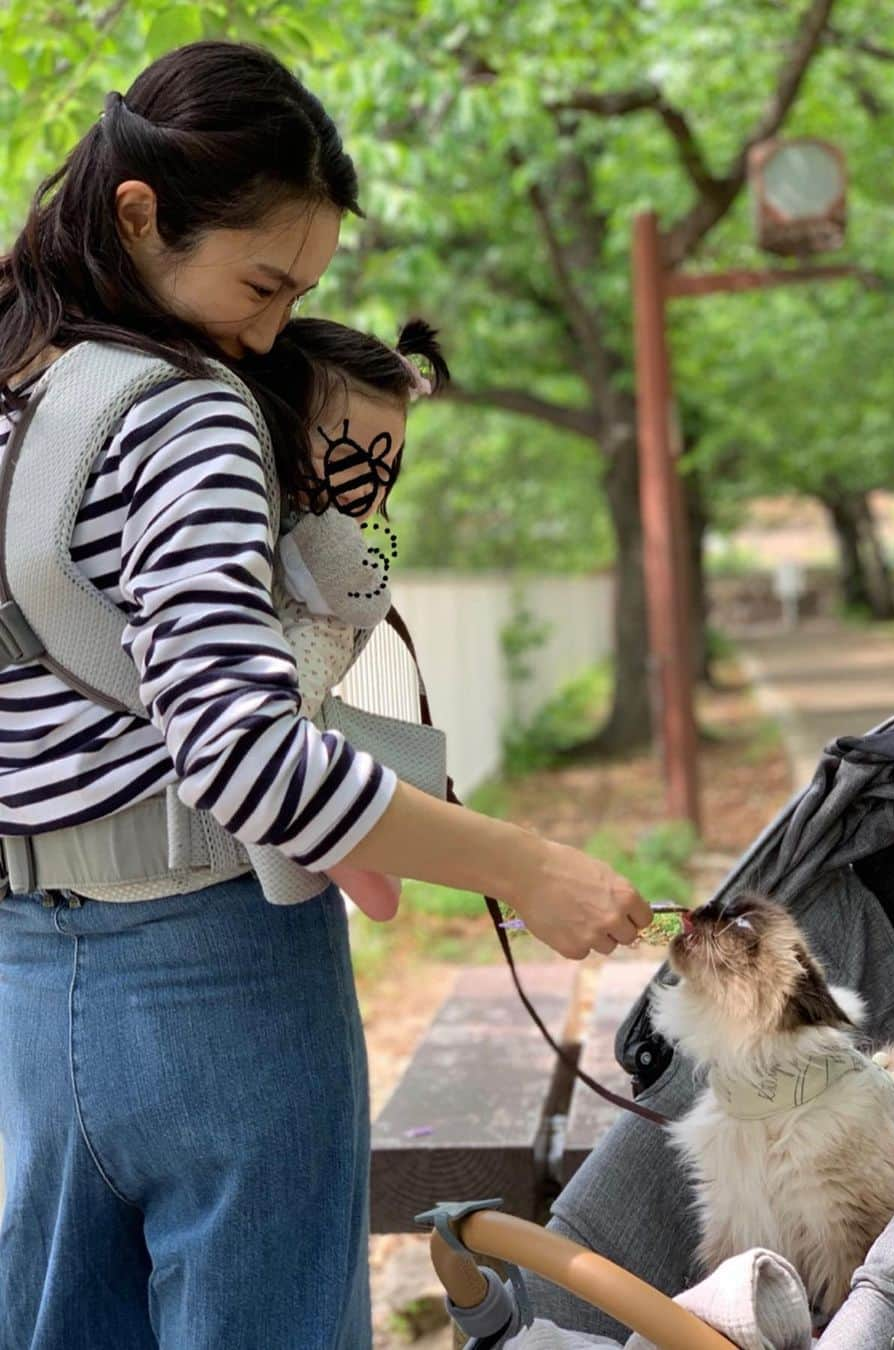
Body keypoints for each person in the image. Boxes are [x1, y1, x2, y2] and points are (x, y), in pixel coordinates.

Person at [0, 41, 650, 1350]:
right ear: (141, 215)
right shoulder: (189, 415)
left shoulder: (17, 384)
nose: (267, 332)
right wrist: (527, 864)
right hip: (214, 975)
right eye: (261, 282)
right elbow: (247, 759)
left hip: (26, 972)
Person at [263, 313, 451, 921]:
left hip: (317, 636)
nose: (366, 481)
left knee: (282, 725)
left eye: (385, 463)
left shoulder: (336, 530)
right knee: (279, 732)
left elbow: (361, 595)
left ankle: (356, 865)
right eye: (344, 454)